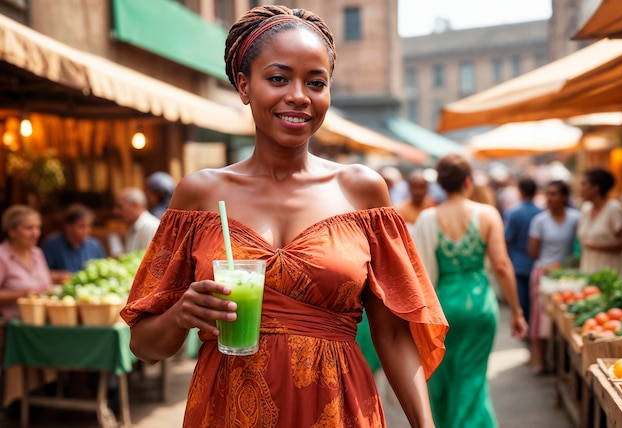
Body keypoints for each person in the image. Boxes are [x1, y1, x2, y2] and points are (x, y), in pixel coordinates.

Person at [120, 5, 448, 427]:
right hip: (228, 411)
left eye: (316, 82)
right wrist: (181, 314)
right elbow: (144, 345)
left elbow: (391, 333)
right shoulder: (199, 195)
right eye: (278, 78)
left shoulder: (362, 191)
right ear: (244, 86)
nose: (298, 95)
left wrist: (425, 424)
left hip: (337, 408)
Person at [413, 153, 527, 428]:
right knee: (472, 379)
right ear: (468, 181)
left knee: (443, 378)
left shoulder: (428, 218)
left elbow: (418, 270)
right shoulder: (487, 214)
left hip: (443, 305)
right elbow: (500, 264)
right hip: (478, 305)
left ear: (441, 184)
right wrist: (516, 311)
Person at [527, 180, 579, 374]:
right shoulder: (539, 220)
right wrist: (550, 265)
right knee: (539, 318)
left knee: (563, 321)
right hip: (543, 274)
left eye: (554, 194)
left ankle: (562, 362)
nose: (550, 198)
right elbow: (532, 251)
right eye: (548, 193)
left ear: (565, 197)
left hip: (568, 277)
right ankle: (539, 360)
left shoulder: (575, 218)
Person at [0, 205, 53, 319]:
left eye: (37, 227)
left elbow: (45, 284)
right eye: (29, 228)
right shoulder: (2, 256)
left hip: (40, 320)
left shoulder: (37, 253)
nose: (35, 233)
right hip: (11, 326)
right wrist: (22, 294)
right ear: (12, 231)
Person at [504, 177, 541, 324]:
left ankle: (524, 326)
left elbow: (507, 237)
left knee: (522, 299)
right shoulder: (541, 211)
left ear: (520, 192)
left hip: (518, 262)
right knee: (536, 301)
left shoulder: (513, 212)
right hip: (537, 262)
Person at [576, 167, 622, 276]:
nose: (580, 189)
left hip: (611, 274)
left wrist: (598, 246)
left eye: (584, 185)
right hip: (588, 272)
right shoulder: (586, 209)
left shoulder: (614, 209)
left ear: (596, 188)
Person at [42, 203, 106, 282]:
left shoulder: (94, 245)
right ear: (68, 227)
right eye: (82, 226)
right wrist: (59, 276)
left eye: (89, 226)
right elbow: (42, 274)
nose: (87, 230)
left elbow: (104, 270)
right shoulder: (52, 244)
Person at [112, 187, 160, 255]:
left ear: (136, 205)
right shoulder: (133, 226)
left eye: (120, 206)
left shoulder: (150, 228)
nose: (116, 211)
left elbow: (150, 262)